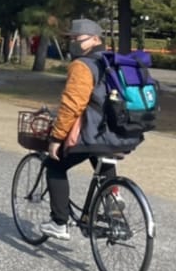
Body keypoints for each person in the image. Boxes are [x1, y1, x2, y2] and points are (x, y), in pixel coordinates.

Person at [42, 18, 123, 240]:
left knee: (54, 164)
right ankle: (112, 199)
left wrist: (57, 137)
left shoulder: (83, 65)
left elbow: (72, 104)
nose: (74, 42)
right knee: (103, 158)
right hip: (120, 131)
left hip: (94, 131)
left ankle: (59, 223)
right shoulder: (113, 61)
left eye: (78, 38)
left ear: (95, 39)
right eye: (71, 39)